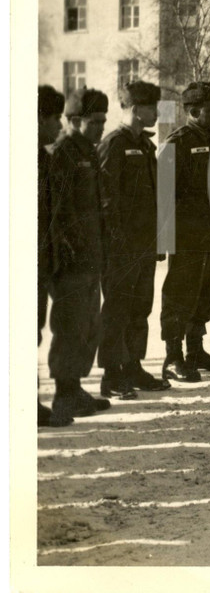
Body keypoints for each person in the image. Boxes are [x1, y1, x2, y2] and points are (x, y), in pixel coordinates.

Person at [97, 81, 171, 399]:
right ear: (135, 109)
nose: (156, 112)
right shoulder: (114, 144)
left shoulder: (146, 146)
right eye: (151, 107)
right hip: (120, 247)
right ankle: (112, 375)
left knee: (140, 308)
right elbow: (103, 198)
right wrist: (116, 241)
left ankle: (134, 367)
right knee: (117, 309)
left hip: (143, 244)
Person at [159, 81, 210, 383]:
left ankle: (195, 351)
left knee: (204, 292)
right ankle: (172, 357)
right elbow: (164, 195)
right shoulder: (176, 143)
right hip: (185, 234)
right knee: (180, 293)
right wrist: (164, 239)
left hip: (206, 231)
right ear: (194, 111)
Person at [47, 88, 112, 424]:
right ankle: (64, 393)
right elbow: (57, 212)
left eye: (103, 121)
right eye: (94, 121)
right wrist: (69, 252)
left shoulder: (88, 150)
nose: (101, 127)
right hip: (72, 260)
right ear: (74, 121)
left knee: (88, 324)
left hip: (91, 255)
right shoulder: (63, 154)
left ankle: (75, 388)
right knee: (70, 325)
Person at [38, 85, 68, 426]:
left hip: (42, 260)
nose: (58, 126)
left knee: (32, 331)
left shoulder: (44, 158)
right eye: (54, 118)